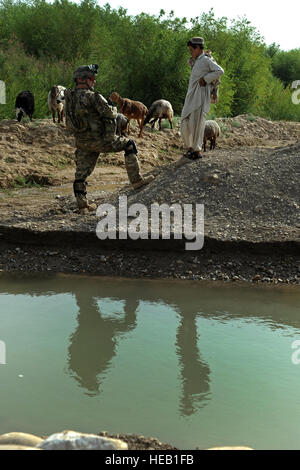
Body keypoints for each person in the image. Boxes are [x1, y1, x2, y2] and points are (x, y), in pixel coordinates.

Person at [65, 64, 153, 214]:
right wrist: (112, 108)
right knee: (129, 144)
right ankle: (137, 181)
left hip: (82, 141)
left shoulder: (70, 97)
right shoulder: (93, 96)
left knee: (81, 173)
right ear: (84, 80)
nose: (94, 81)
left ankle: (82, 205)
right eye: (92, 78)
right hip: (102, 140)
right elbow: (110, 113)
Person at [180, 37, 224, 160]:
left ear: (198, 48)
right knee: (185, 121)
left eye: (191, 49)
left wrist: (205, 79)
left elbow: (220, 71)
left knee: (197, 123)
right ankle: (189, 147)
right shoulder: (197, 61)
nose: (190, 52)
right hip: (191, 96)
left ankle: (196, 150)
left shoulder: (205, 60)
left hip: (200, 96)